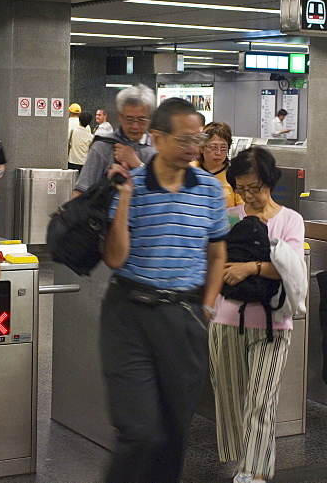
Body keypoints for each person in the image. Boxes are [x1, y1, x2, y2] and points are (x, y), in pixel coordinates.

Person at [102, 97, 229, 483]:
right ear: (157, 138)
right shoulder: (133, 184)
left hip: (183, 317)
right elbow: (114, 258)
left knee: (175, 433)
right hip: (130, 315)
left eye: (200, 138)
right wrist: (124, 199)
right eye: (186, 139)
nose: (195, 148)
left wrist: (206, 308)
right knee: (139, 432)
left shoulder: (209, 189)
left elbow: (218, 254)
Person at [210, 147, 306, 483]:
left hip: (272, 325)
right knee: (231, 400)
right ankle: (243, 462)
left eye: (256, 188)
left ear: (269, 181)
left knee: (261, 401)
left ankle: (254, 472)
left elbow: (292, 269)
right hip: (226, 320)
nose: (249, 195)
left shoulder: (289, 219)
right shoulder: (229, 217)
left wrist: (251, 266)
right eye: (243, 188)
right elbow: (213, 261)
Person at [72, 84, 157, 196]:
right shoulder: (103, 147)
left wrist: (137, 165)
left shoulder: (156, 148)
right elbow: (80, 193)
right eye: (129, 119)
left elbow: (162, 193)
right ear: (120, 116)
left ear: (149, 118)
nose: (135, 126)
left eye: (141, 119)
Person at [193, 121, 243, 207]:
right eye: (213, 147)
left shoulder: (235, 174)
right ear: (201, 148)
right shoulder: (189, 170)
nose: (218, 153)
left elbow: (242, 209)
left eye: (223, 148)